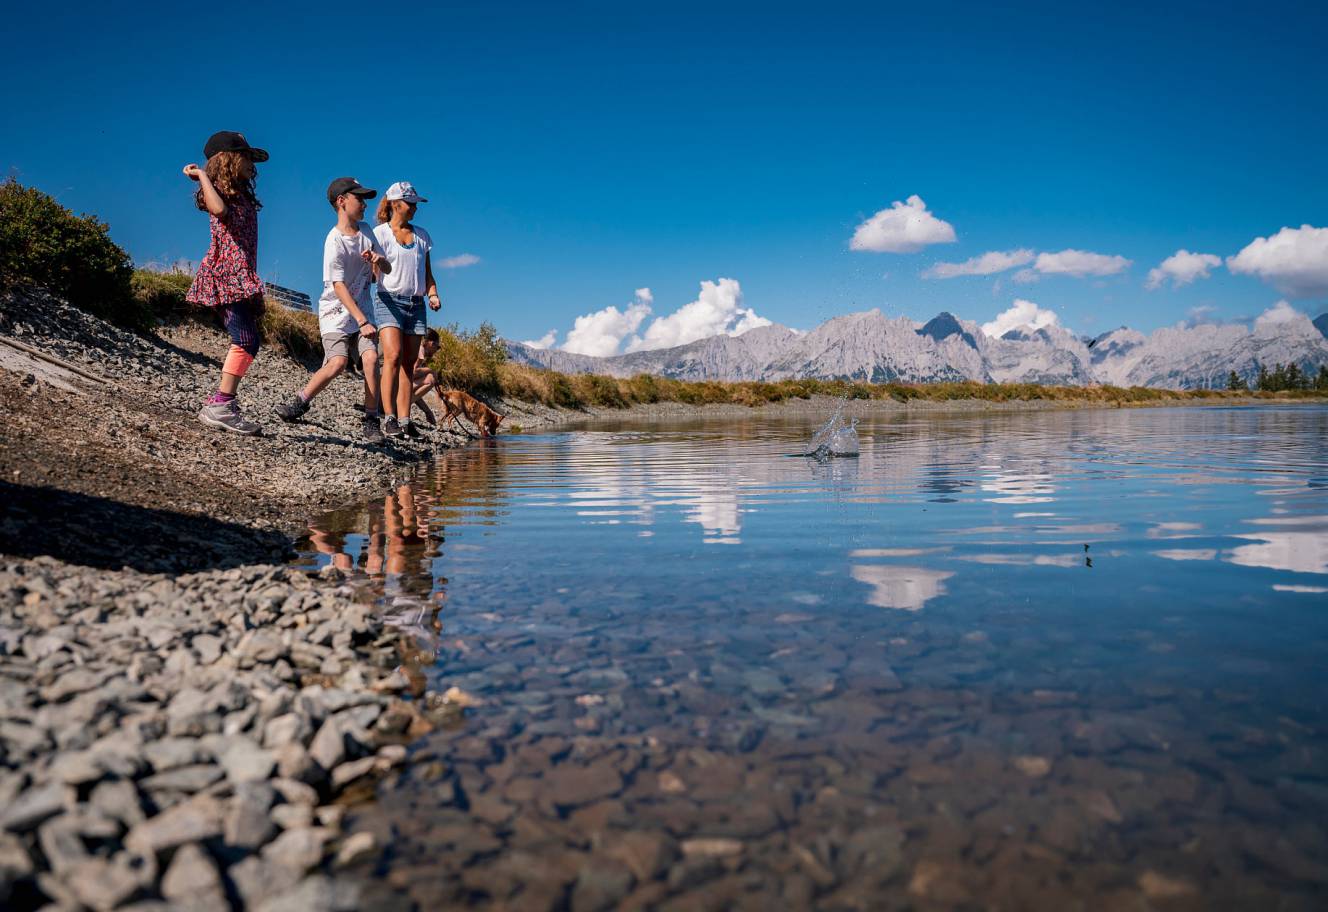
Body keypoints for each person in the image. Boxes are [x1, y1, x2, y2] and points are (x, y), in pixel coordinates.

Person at [275, 178, 390, 443]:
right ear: (341, 202)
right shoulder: (334, 240)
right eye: (358, 199)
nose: (364, 204)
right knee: (337, 363)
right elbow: (338, 286)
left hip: (363, 312)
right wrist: (361, 321)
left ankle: (371, 422)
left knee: (371, 359)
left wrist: (378, 260)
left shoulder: (366, 231)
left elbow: (386, 270)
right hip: (336, 313)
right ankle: (300, 402)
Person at [183, 131, 269, 435]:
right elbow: (218, 210)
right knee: (245, 340)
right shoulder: (216, 189)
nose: (251, 165)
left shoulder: (241, 194)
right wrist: (204, 176)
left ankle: (223, 403)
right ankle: (221, 405)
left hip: (240, 275)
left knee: (248, 340)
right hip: (225, 276)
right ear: (228, 159)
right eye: (245, 157)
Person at [373, 182, 441, 439]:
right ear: (395, 204)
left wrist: (433, 294)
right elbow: (372, 274)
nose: (414, 208)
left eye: (415, 204)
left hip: (416, 304)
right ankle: (388, 418)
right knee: (392, 355)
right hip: (388, 300)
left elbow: (427, 274)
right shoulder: (379, 234)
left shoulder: (422, 236)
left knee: (408, 365)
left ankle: (405, 420)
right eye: (410, 203)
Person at [411, 328, 443, 425]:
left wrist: (427, 411)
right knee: (430, 378)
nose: (436, 351)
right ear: (431, 343)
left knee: (428, 376)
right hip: (388, 400)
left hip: (385, 398)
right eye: (437, 347)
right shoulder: (420, 350)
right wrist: (432, 370)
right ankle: (400, 408)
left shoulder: (415, 348)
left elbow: (413, 391)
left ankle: (400, 407)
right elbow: (412, 372)